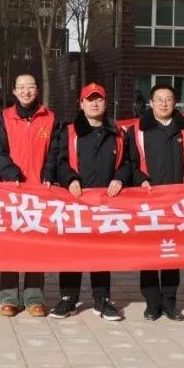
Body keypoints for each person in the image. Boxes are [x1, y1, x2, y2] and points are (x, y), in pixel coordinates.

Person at [49, 82, 130, 322]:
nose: (95, 104)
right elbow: (60, 161)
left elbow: (128, 162)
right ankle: (68, 298)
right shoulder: (69, 132)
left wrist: (119, 178)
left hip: (105, 203)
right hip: (75, 201)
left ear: (106, 103)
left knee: (101, 251)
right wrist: (70, 178)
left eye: (99, 99)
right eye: (90, 99)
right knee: (72, 251)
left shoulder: (117, 133)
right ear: (81, 104)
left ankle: (102, 299)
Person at [125, 84, 184, 321]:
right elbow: (129, 163)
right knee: (149, 254)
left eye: (168, 99)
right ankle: (152, 303)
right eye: (159, 99)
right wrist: (141, 179)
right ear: (151, 103)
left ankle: (169, 303)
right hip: (148, 203)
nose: (164, 103)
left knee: (171, 253)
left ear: (175, 102)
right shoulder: (137, 130)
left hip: (176, 203)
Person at [0, 72, 57, 317]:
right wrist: (11, 174)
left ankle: (34, 297)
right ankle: (9, 297)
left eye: (30, 86)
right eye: (21, 87)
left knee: (36, 244)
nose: (26, 91)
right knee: (11, 244)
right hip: (12, 189)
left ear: (37, 90)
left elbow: (55, 151)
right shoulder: (4, 117)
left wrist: (48, 174)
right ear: (14, 91)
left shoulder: (50, 118)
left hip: (39, 190)